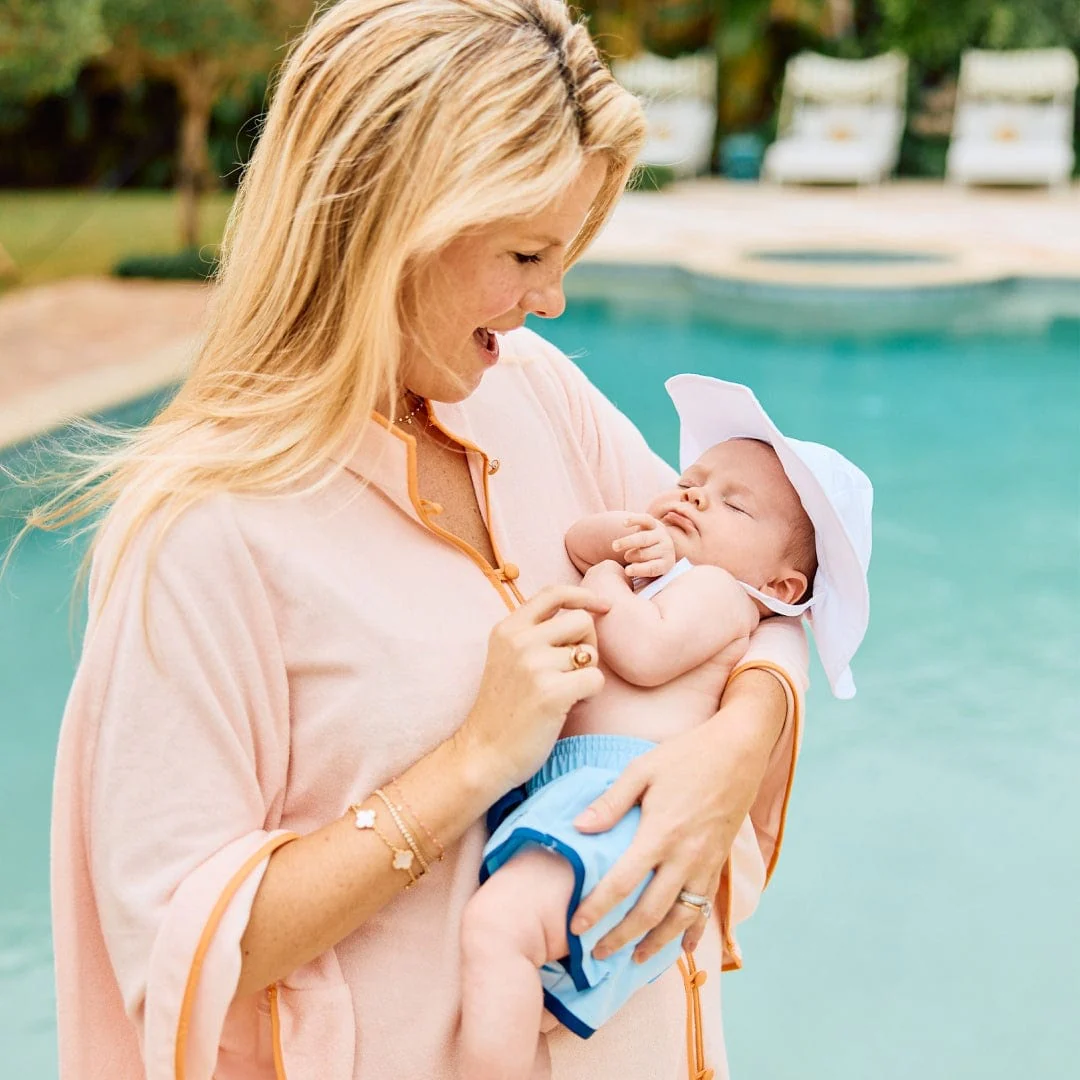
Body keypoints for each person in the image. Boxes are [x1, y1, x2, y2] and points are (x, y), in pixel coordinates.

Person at [41, 3, 811, 1078]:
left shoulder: (536, 395)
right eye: (529, 252)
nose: (552, 299)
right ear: (388, 221)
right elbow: (183, 949)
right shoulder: (205, 534)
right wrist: (469, 766)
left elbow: (773, 589)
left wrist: (737, 748)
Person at [459, 376, 872, 1078]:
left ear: (781, 587)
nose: (694, 498)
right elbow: (576, 538)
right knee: (518, 992)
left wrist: (611, 582)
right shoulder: (672, 573)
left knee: (497, 930)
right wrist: (632, 537)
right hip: (583, 792)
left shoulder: (722, 596)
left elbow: (644, 654)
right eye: (691, 483)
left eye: (733, 505)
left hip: (626, 795)